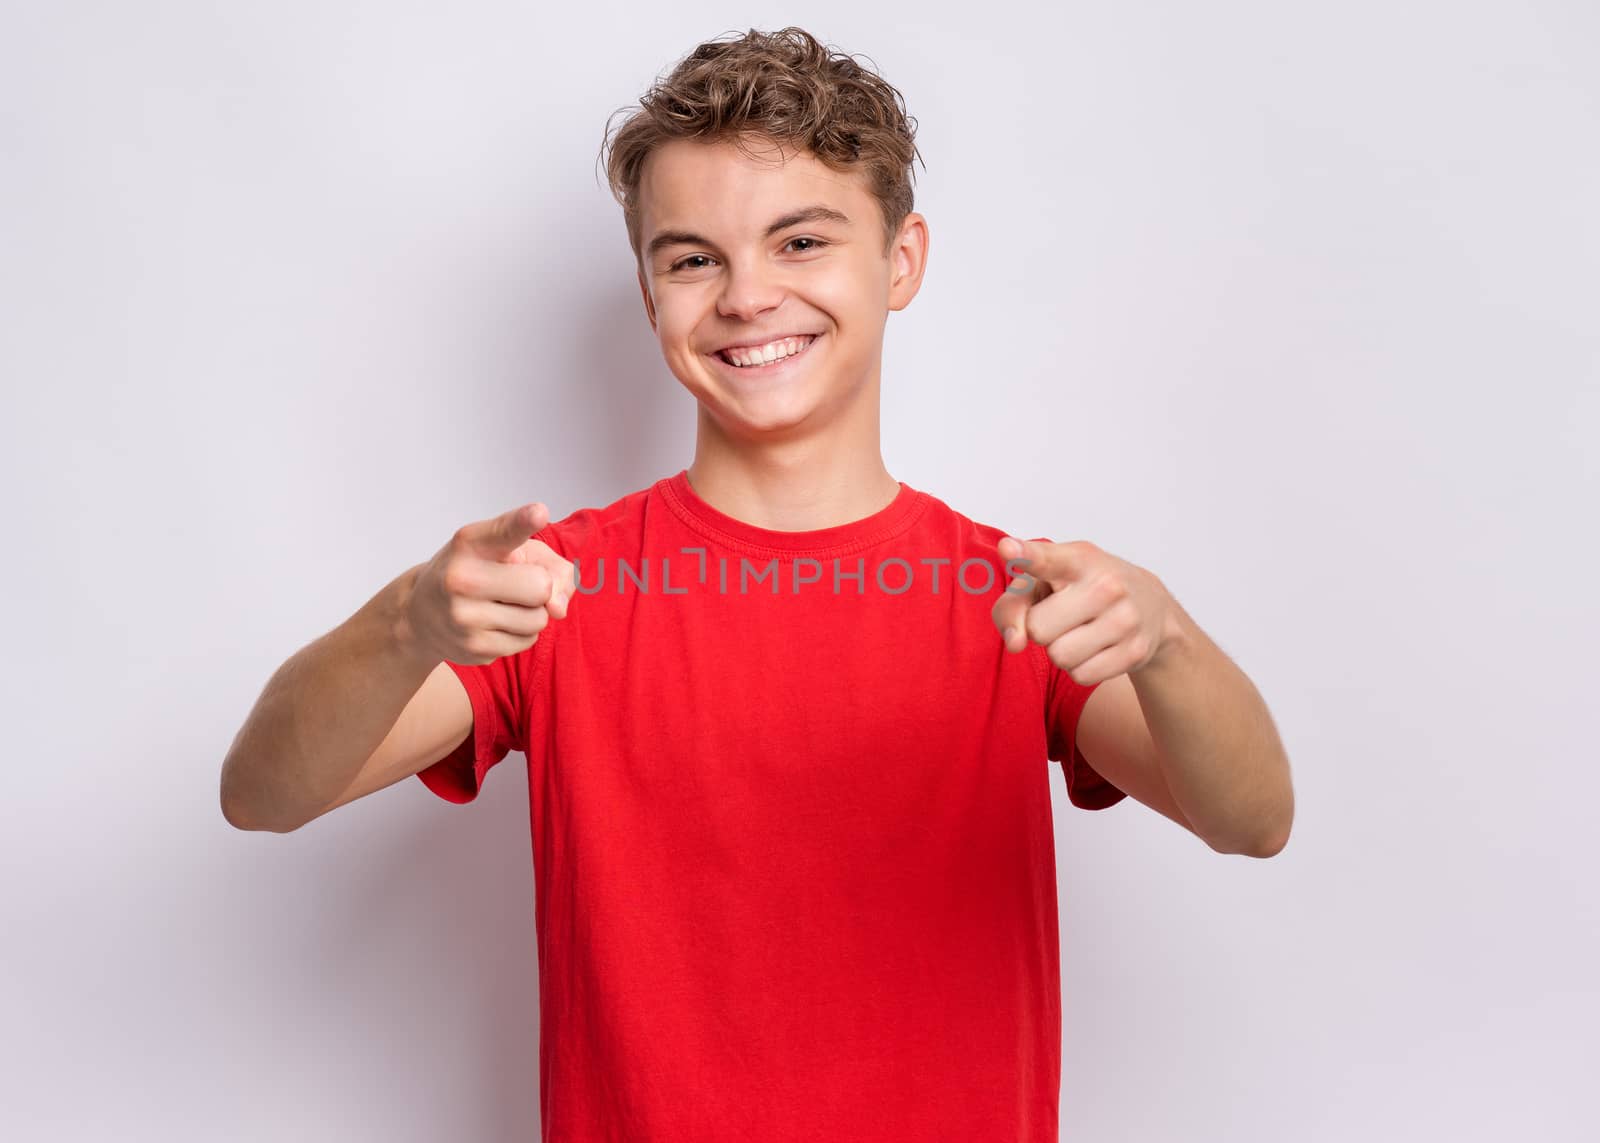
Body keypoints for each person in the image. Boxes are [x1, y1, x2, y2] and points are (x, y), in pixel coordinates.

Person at [220, 25, 1294, 1141]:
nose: (745, 296)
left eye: (800, 242)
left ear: (901, 260)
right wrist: (404, 622)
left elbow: (1251, 820)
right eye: (693, 258)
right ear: (648, 294)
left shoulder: (1013, 598)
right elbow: (265, 795)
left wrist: (1166, 639)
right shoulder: (556, 593)